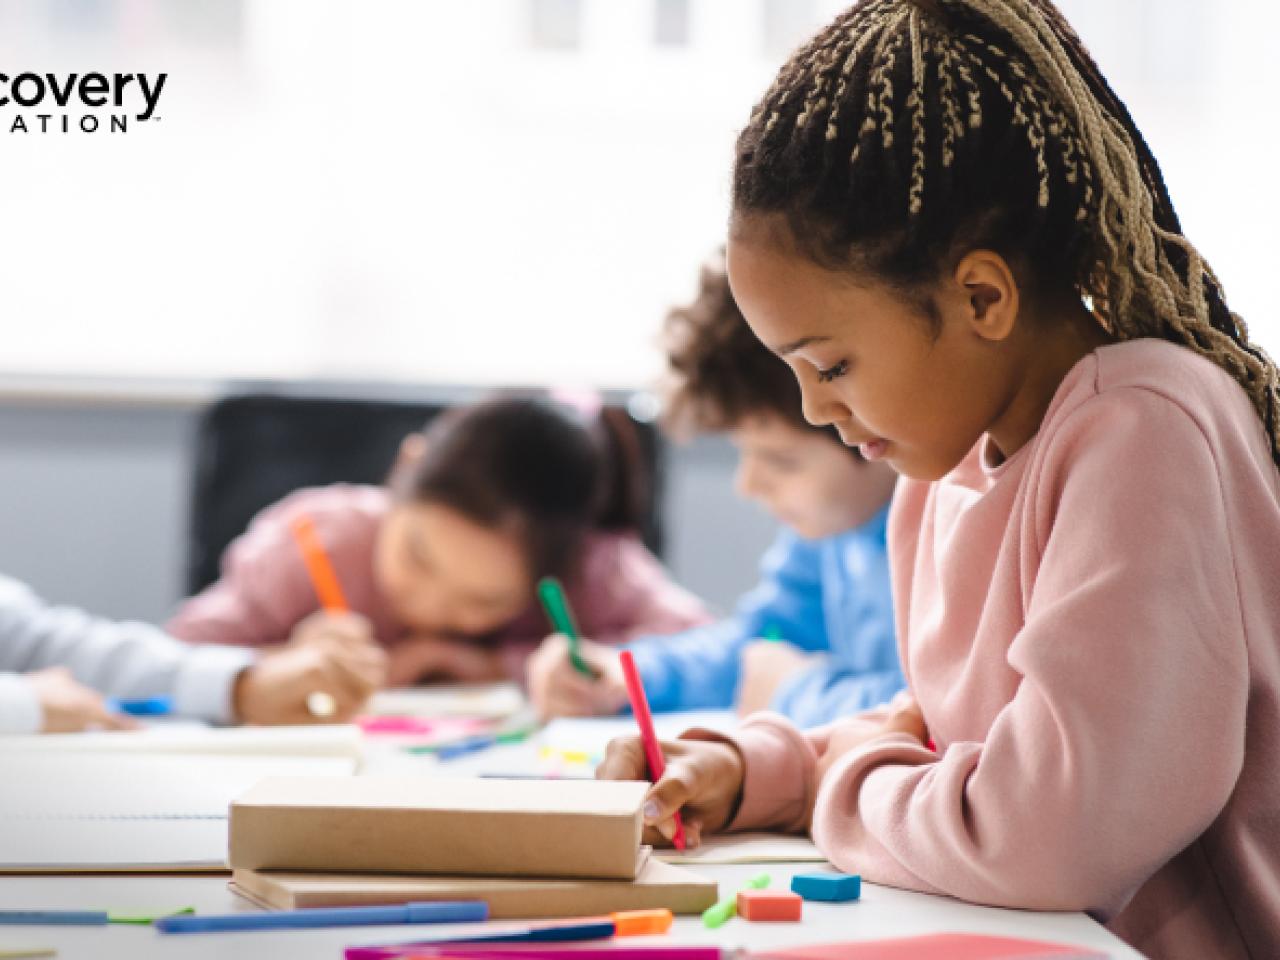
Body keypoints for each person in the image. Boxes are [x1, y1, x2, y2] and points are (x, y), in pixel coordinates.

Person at [598, 1, 1280, 956]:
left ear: (981, 297)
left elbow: (1047, 831)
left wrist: (833, 790)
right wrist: (770, 769)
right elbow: (946, 738)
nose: (813, 413)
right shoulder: (945, 469)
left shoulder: (1144, 430)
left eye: (830, 366)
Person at [528, 253, 901, 726]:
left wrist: (792, 691)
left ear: (873, 433)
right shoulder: (828, 536)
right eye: (743, 452)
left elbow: (948, 711)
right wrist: (629, 676)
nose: (747, 485)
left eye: (780, 460)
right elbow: (759, 646)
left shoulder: (946, 534)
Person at [170, 397, 708, 686]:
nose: (430, 607)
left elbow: (702, 645)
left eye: (483, 601)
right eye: (417, 557)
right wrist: (281, 664)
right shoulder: (316, 542)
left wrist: (505, 666)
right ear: (405, 468)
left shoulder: (590, 571)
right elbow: (176, 653)